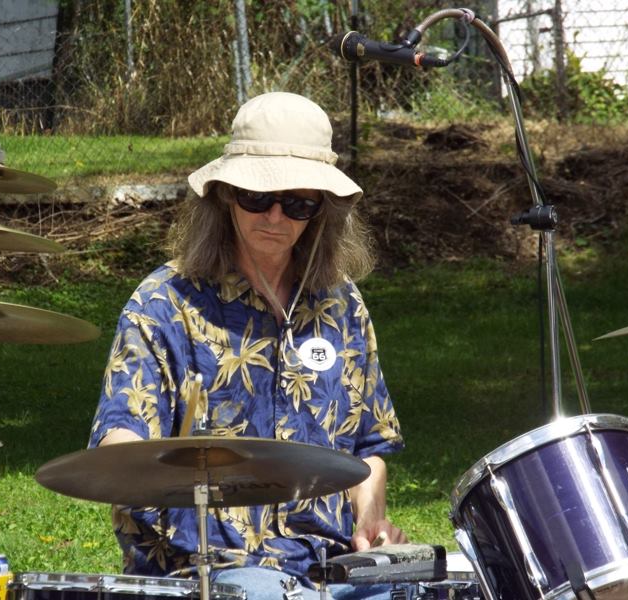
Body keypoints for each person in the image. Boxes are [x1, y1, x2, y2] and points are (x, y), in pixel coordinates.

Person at [88, 91, 405, 600]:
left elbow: (368, 445)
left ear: (322, 210)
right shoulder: (165, 303)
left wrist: (371, 519)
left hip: (329, 566)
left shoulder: (342, 304)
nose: (275, 217)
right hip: (211, 572)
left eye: (298, 203)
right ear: (225, 195)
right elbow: (121, 438)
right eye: (257, 198)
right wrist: (156, 473)